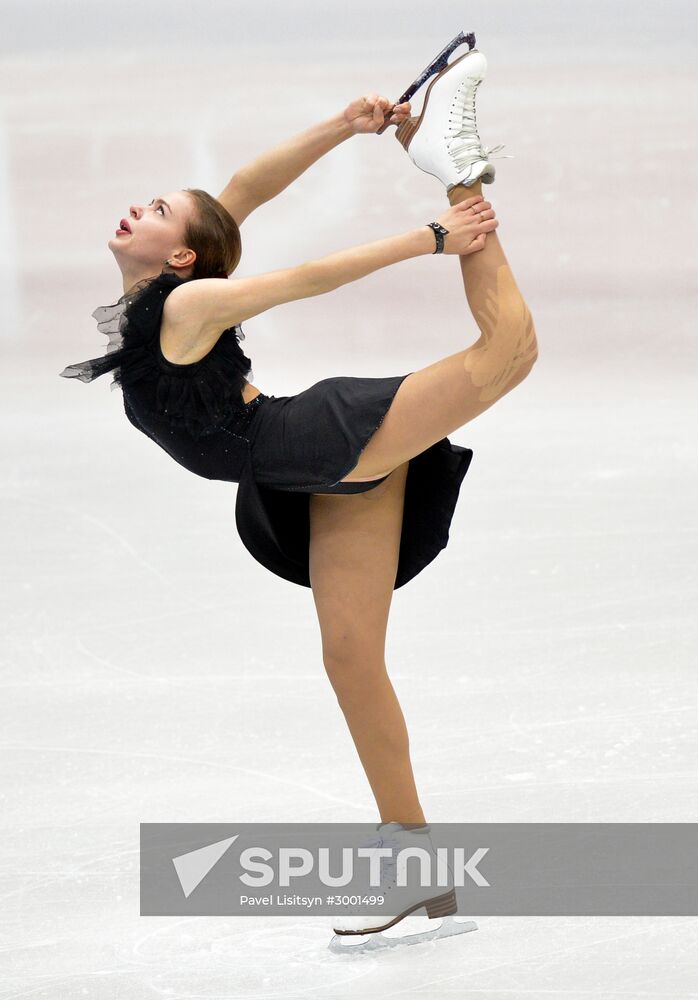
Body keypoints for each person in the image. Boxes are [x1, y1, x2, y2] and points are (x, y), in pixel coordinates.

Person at [61, 34, 538, 952]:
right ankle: (417, 874)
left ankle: (458, 170)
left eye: (157, 208)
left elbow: (301, 279)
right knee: (352, 660)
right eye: (152, 201)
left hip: (314, 440)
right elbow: (241, 191)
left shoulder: (189, 304)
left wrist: (435, 236)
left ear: (184, 258)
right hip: (302, 474)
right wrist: (339, 127)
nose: (138, 206)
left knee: (507, 354)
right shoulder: (165, 291)